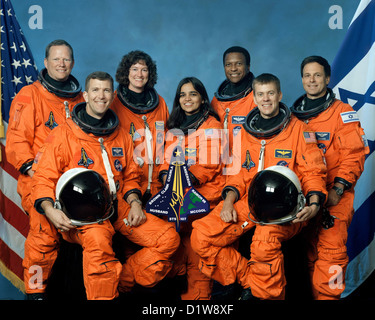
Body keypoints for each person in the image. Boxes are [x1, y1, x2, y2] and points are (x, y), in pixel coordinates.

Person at [28, 71, 180, 300]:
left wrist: (135, 202)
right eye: (96, 90)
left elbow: (130, 176)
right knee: (98, 246)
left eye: (107, 90)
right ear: (86, 96)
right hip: (84, 214)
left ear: (113, 95)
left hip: (118, 205)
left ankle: (124, 280)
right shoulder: (63, 134)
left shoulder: (120, 135)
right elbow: (43, 178)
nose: (102, 95)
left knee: (168, 238)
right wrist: (50, 210)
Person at [191, 73, 328, 300]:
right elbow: (235, 175)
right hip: (250, 202)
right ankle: (251, 282)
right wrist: (228, 203)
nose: (266, 99)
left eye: (271, 93)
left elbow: (313, 172)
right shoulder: (245, 132)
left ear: (280, 95)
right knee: (201, 236)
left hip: (288, 208)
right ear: (254, 98)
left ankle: (267, 297)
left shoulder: (299, 131)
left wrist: (313, 204)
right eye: (261, 94)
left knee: (264, 242)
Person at [291, 56, 369, 300]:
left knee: (331, 254)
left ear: (327, 79)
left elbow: (354, 155)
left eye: (317, 75)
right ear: (302, 79)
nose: (312, 80)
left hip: (335, 197)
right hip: (304, 197)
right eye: (307, 75)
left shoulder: (343, 113)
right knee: (306, 256)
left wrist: (338, 188)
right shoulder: (294, 117)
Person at [158, 77, 224, 300]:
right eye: (183, 94)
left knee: (197, 259)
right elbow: (163, 160)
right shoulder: (174, 127)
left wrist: (181, 182)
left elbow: (208, 165)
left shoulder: (212, 127)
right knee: (175, 255)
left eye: (193, 94)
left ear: (203, 98)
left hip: (203, 200)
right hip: (176, 201)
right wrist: (167, 177)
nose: (187, 99)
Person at [6, 39, 84, 216]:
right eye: (56, 59)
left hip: (74, 182)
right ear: (46, 62)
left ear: (72, 63)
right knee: (46, 239)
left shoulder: (81, 100)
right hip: (40, 182)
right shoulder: (29, 95)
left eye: (66, 59)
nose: (61, 64)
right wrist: (39, 176)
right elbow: (17, 141)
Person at [110, 50, 169, 205]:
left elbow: (169, 142)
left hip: (158, 184)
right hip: (129, 186)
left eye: (144, 70)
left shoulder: (160, 103)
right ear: (126, 72)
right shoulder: (113, 104)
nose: (139, 74)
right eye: (134, 69)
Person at [211, 46, 257, 163]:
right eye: (228, 65)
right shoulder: (217, 100)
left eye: (238, 64)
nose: (233, 69)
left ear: (248, 67)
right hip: (221, 164)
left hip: (246, 162)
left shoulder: (258, 97)